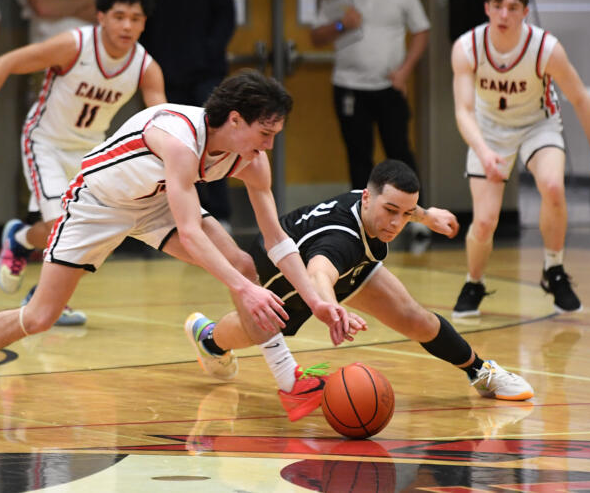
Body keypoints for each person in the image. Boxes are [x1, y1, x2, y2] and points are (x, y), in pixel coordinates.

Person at [0, 70, 353, 431]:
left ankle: (287, 380)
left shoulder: (251, 159)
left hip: (155, 205)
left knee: (241, 263)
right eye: (265, 133)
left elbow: (277, 240)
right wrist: (243, 291)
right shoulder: (178, 138)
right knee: (39, 318)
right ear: (235, 120)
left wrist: (317, 301)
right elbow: (191, 233)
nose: (270, 145)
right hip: (97, 205)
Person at [185, 159, 534, 422]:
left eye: (406, 213)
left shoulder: (372, 205)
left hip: (346, 265)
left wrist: (427, 216)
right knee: (260, 328)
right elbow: (319, 272)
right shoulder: (342, 238)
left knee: (416, 318)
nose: (397, 223)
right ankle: (210, 337)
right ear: (367, 198)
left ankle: (481, 372)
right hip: (283, 274)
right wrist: (333, 307)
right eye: (390, 212)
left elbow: (400, 205)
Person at [0, 0, 167, 326]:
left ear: (145, 23)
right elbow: (4, 63)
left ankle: (44, 295)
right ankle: (20, 238)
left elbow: (161, 125)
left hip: (93, 151)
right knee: (58, 226)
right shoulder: (74, 45)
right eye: (119, 16)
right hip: (45, 142)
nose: (127, 26)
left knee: (96, 232)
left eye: (136, 19)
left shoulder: (146, 67)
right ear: (101, 17)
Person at [450, 0, 590, 317]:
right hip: (489, 131)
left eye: (513, 8)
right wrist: (483, 152)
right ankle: (474, 281)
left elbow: (581, 99)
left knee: (553, 186)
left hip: (536, 126)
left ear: (525, 12)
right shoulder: (467, 48)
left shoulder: (546, 48)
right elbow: (463, 111)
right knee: (484, 221)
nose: (504, 15)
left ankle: (554, 269)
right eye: (497, 6)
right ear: (486, 8)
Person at [309, 0, 429, 194]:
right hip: (349, 86)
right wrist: (341, 24)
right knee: (358, 155)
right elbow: (316, 37)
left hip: (389, 86)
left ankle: (415, 214)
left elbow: (421, 31)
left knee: (399, 151)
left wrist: (405, 71)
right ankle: (363, 218)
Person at [140, 0, 236, 230]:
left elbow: (225, 15)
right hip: (167, 80)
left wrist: (207, 52)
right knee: (172, 146)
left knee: (216, 141)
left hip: (206, 76)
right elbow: (144, 28)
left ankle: (220, 215)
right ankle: (178, 215)